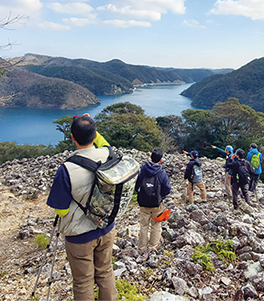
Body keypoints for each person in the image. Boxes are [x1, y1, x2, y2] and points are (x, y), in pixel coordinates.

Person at [46, 115, 118, 301]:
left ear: (72, 137)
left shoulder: (67, 169)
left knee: (83, 281)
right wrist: (91, 125)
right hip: (106, 226)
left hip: (80, 235)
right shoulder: (109, 155)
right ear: (95, 136)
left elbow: (60, 209)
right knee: (105, 272)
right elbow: (104, 143)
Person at [135, 148, 171, 250]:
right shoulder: (161, 173)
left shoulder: (142, 170)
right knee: (156, 225)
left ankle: (142, 247)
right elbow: (167, 189)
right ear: (160, 160)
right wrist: (162, 196)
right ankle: (153, 246)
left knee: (144, 225)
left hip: (143, 202)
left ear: (150, 157)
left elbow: (136, 185)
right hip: (156, 203)